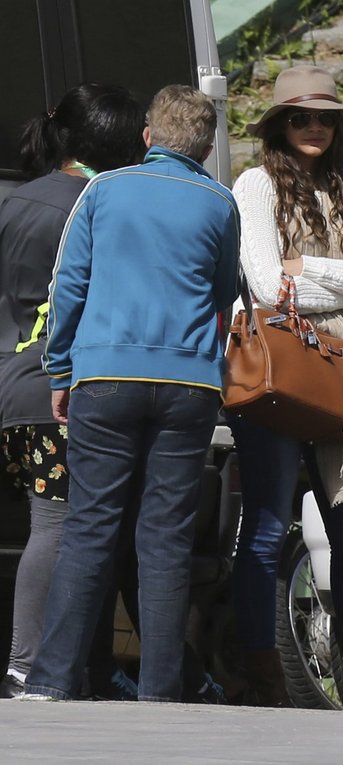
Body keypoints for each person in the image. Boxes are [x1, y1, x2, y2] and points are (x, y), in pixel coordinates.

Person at [22, 84, 239, 702]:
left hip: (106, 378)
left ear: (148, 136)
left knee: (90, 526)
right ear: (205, 144)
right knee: (165, 537)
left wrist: (60, 371)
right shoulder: (219, 202)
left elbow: (69, 287)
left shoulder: (103, 190)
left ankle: (52, 678)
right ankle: (162, 688)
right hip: (189, 383)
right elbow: (224, 297)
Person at [231, 64, 343, 710]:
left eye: (325, 117)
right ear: (278, 125)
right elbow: (270, 285)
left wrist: (312, 269)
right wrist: (341, 278)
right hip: (279, 365)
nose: (315, 127)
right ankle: (261, 680)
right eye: (301, 117)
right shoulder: (255, 185)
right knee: (268, 529)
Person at [0, 83, 146, 700]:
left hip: (10, 386)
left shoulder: (13, 199)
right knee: (57, 523)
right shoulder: (96, 207)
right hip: (54, 386)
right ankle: (26, 665)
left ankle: (75, 666)